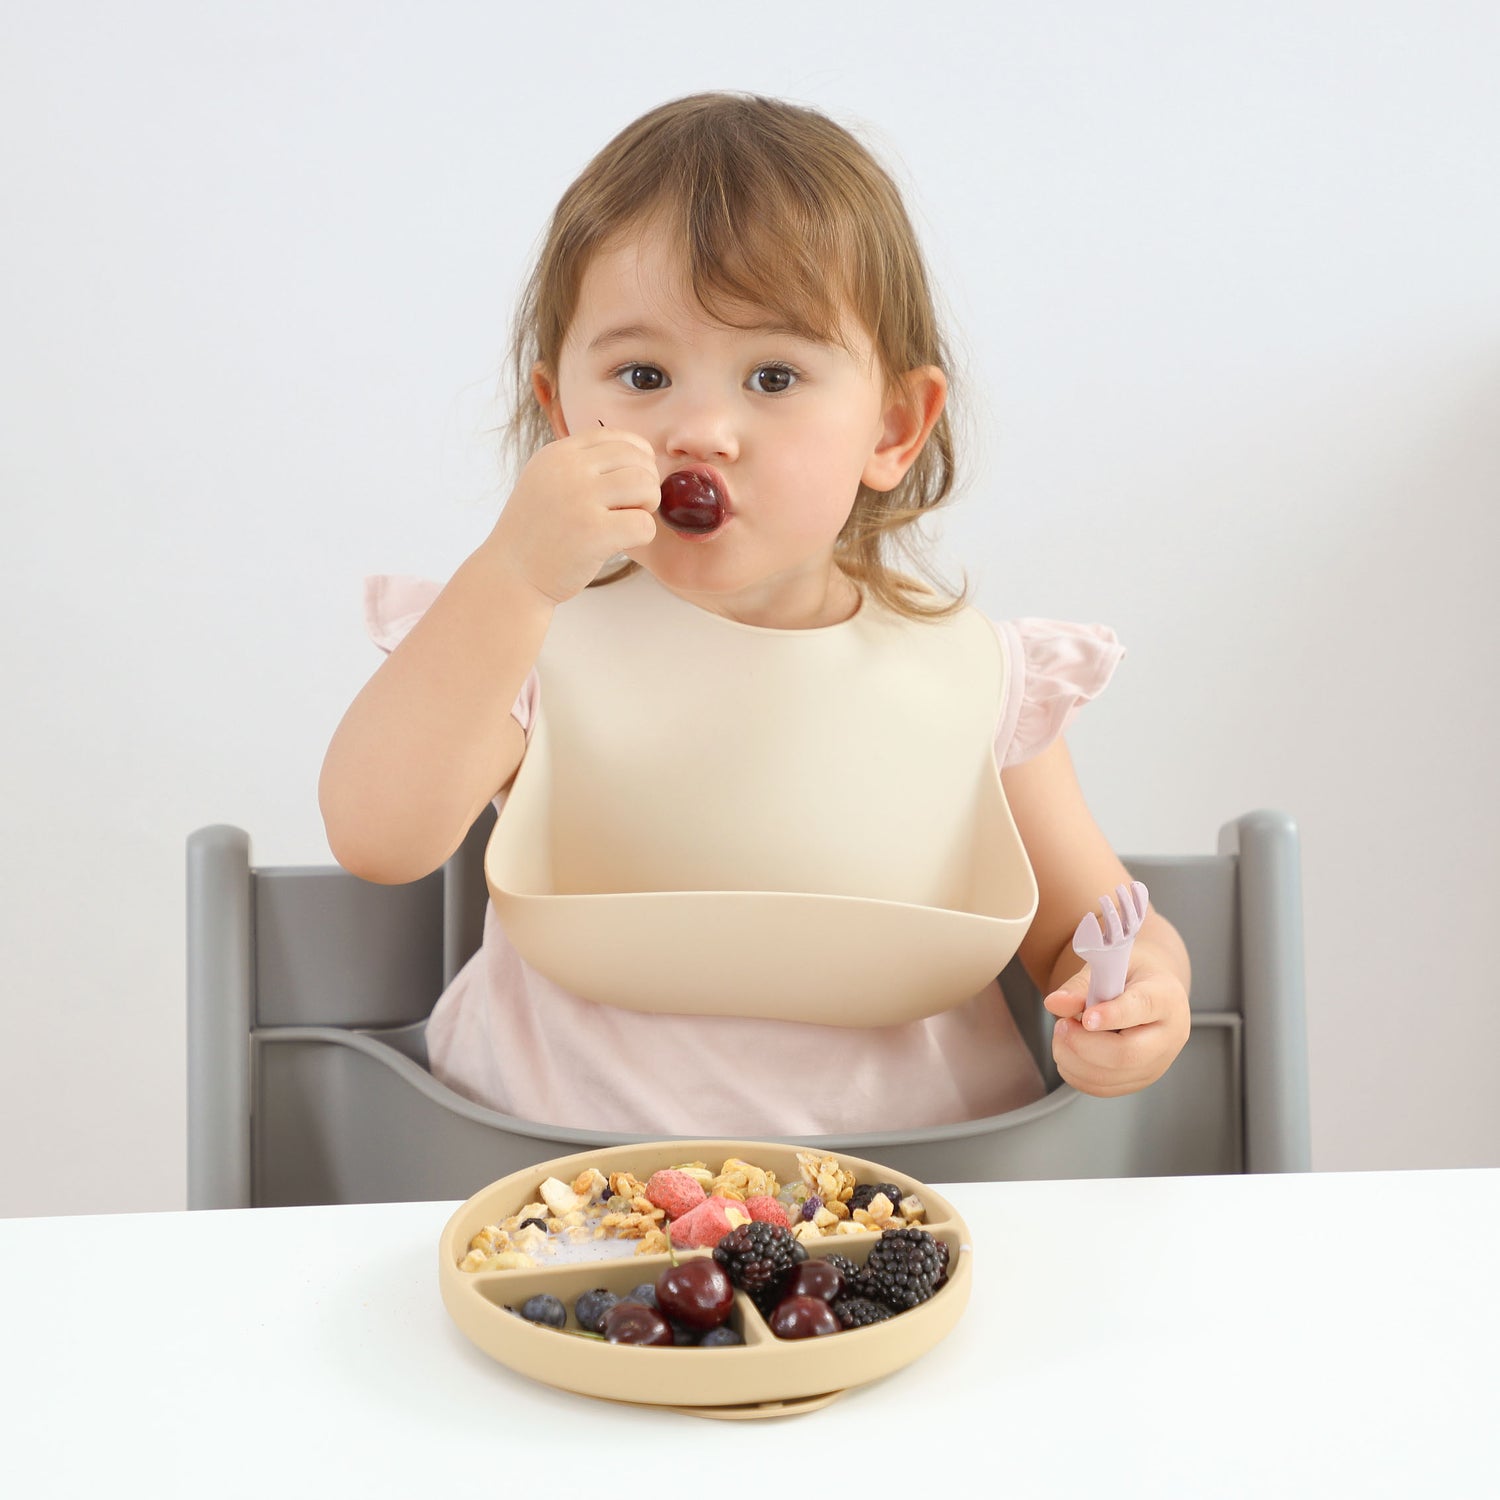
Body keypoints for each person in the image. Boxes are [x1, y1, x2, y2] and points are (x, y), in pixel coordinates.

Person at [319, 92, 1191, 1135]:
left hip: (905, 1211)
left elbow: (1091, 928)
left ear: (895, 428)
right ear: (562, 416)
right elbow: (377, 837)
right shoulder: (525, 642)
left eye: (773, 375)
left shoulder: (982, 682)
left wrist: (1136, 993)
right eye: (642, 375)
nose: (701, 430)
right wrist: (510, 572)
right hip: (551, 1208)